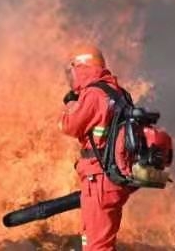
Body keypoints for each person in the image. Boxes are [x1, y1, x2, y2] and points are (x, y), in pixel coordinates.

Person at [58, 45, 135, 251]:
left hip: (99, 178)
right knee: (95, 239)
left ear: (83, 68)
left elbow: (69, 126)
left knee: (97, 245)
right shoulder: (118, 92)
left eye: (73, 70)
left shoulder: (94, 94)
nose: (71, 77)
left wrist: (69, 106)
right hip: (110, 177)